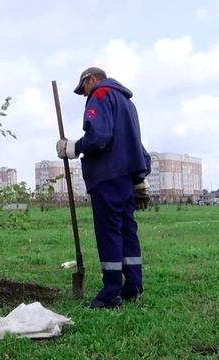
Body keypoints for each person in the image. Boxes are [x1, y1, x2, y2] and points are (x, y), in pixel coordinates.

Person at [56, 67, 151, 309]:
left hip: (108, 177)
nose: (84, 95)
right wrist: (140, 175)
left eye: (83, 88)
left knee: (109, 233)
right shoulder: (128, 104)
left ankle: (111, 294)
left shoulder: (99, 95)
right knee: (128, 230)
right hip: (126, 178)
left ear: (92, 79)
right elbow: (135, 143)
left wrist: (72, 148)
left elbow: (99, 136)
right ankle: (133, 287)